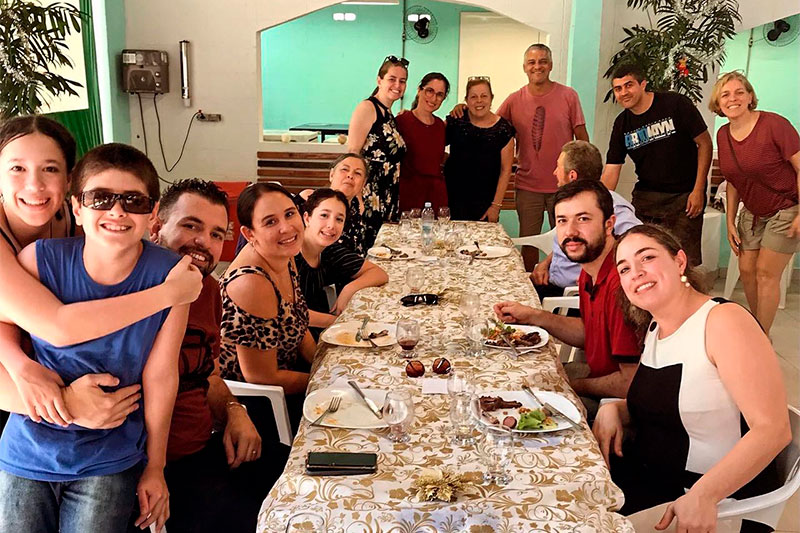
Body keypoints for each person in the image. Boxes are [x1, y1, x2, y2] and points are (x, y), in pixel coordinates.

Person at [0, 143, 189, 533]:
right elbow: (5, 321)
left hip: (110, 455)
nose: (117, 211)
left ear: (153, 212)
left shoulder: (171, 274)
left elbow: (161, 375)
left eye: (133, 201)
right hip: (28, 449)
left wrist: (156, 466)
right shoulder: (39, 259)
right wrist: (20, 365)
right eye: (100, 198)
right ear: (77, 207)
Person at [0, 116, 201, 431]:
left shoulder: (76, 217)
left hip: (49, 370)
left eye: (50, 169)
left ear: (70, 180)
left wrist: (21, 362)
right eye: (17, 168)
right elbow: (57, 326)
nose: (34, 185)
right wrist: (169, 294)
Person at [595, 224, 789, 533]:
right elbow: (672, 404)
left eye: (647, 257)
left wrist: (705, 495)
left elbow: (774, 430)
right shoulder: (656, 327)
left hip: (712, 501)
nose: (637, 273)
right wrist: (616, 408)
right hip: (654, 477)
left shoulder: (723, 321)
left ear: (680, 261)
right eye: (625, 268)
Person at [150, 178, 287, 533]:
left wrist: (233, 411)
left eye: (215, 234)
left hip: (205, 446)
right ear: (156, 226)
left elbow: (207, 373)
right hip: (160, 468)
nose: (203, 242)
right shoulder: (135, 290)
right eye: (190, 226)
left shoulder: (208, 290)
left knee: (303, 478)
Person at [494, 180, 640, 417]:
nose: (570, 231)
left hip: (620, 406)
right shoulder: (589, 269)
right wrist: (535, 316)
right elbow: (591, 332)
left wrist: (573, 385)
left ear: (609, 224)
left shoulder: (622, 284)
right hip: (599, 377)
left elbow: (630, 382)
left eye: (583, 219)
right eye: (562, 220)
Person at [453, 44, 588, 270]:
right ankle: (532, 284)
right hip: (528, 187)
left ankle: (563, 283)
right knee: (529, 243)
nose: (537, 66)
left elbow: (583, 140)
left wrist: (583, 181)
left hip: (564, 186)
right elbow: (488, 122)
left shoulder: (568, 96)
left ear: (550, 65)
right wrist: (463, 107)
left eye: (542, 61)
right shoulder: (514, 99)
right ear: (524, 67)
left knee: (568, 242)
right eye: (532, 62)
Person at [219, 182, 316, 431]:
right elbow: (261, 376)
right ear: (249, 234)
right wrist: (322, 381)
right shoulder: (252, 282)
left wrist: (323, 364)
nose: (286, 228)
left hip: (290, 375)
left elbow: (298, 325)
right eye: (270, 222)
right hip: (256, 405)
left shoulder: (284, 255)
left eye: (290, 214)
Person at [710, 71, 800, 334]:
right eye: (726, 95)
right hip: (752, 212)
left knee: (765, 273)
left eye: (739, 92)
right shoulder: (723, 135)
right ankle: (757, 328)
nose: (733, 99)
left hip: (786, 207)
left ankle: (760, 335)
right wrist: (730, 221)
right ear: (718, 103)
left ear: (750, 97)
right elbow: (734, 180)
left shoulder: (774, 125)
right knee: (747, 270)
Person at [601, 63, 712, 267]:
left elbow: (704, 144)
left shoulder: (675, 104)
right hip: (647, 198)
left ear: (643, 84)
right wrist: (597, 204)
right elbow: (612, 169)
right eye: (618, 88)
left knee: (683, 262)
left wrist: (698, 190)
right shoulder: (621, 123)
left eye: (629, 85)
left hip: (684, 197)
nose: (624, 92)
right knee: (644, 258)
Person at [531, 140, 640, 301]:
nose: (554, 172)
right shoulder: (570, 203)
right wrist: (546, 263)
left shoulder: (610, 204)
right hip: (550, 280)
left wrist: (596, 275)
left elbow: (637, 242)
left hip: (572, 295)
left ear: (572, 176)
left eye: (558, 167)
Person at [296, 188, 388, 334]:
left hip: (320, 331)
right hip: (291, 338)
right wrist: (336, 322)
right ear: (307, 218)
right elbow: (289, 314)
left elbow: (379, 273)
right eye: (324, 215)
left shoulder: (329, 251)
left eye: (339, 219)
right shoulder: (290, 255)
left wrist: (348, 290)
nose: (331, 225)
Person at [347, 55, 408, 249]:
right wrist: (357, 196)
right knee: (368, 250)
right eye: (392, 79)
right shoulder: (367, 108)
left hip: (387, 194)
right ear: (379, 80)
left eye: (402, 81)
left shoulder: (388, 113)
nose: (397, 85)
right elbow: (353, 154)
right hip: (369, 195)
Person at [444, 77, 515, 221]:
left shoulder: (504, 129)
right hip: (451, 201)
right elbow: (432, 143)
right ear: (466, 100)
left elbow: (506, 170)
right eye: (473, 97)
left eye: (484, 96)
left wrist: (496, 206)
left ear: (491, 98)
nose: (479, 101)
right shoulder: (456, 121)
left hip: (485, 204)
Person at [396, 72, 449, 213]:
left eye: (439, 94)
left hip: (436, 197)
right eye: (429, 91)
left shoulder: (440, 126)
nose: (433, 98)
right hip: (409, 196)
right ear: (419, 90)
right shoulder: (401, 121)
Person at [298, 153, 369, 256]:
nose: (350, 176)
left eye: (357, 173)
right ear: (331, 175)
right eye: (344, 169)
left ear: (364, 183)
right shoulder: (307, 201)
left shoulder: (356, 207)